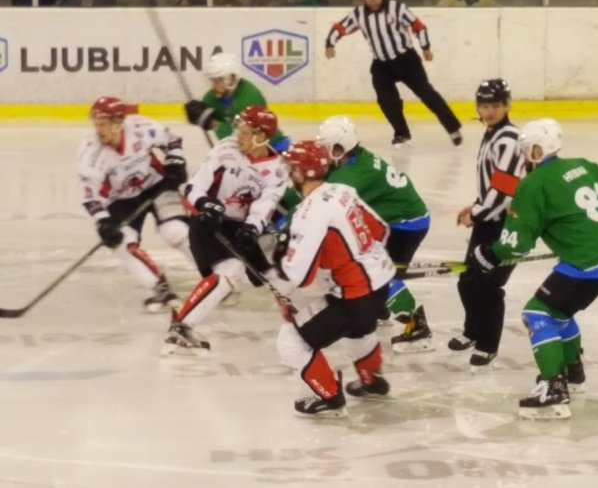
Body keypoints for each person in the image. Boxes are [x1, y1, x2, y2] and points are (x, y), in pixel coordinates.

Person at [469, 118, 598, 419]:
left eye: (526, 151)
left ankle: (553, 389)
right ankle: (573, 373)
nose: (524, 157)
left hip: (587, 263)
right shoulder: (581, 165)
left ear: (537, 151)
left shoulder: (532, 185)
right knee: (559, 312)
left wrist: (488, 255)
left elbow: (516, 244)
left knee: (538, 314)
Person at [275, 140, 396, 416]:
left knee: (291, 341)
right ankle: (371, 380)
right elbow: (380, 230)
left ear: (302, 172)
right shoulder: (343, 191)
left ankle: (329, 395)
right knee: (359, 331)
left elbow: (300, 275)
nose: (288, 172)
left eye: (292, 167)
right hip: (381, 283)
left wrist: (285, 253)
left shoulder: (308, 214)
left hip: (354, 293)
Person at [162, 106, 287, 356]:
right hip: (208, 222)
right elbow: (195, 186)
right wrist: (205, 203)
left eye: (245, 132)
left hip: (240, 227)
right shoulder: (226, 149)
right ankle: (181, 326)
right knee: (231, 271)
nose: (237, 135)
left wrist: (252, 228)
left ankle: (308, 321)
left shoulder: (277, 169)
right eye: (239, 129)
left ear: (261, 137)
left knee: (271, 275)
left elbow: (265, 205)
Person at [314, 116, 433, 353]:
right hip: (397, 220)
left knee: (380, 274)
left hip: (405, 225)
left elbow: (324, 202)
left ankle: (417, 326)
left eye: (328, 148)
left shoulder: (353, 175)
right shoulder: (353, 161)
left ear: (341, 147)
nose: (324, 153)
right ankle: (380, 309)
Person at [77, 96, 189, 312]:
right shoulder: (90, 153)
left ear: (118, 123)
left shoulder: (141, 127)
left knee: (175, 232)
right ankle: (160, 288)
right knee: (121, 242)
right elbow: (90, 196)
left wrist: (175, 161)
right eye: (96, 123)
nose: (98, 129)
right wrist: (103, 222)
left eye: (103, 124)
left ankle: (214, 275)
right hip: (119, 200)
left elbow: (172, 140)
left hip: (156, 184)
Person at [324, 0, 463, 148]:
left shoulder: (396, 8)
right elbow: (340, 27)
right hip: (382, 65)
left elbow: (418, 26)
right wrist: (330, 44)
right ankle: (402, 133)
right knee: (386, 99)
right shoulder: (359, 14)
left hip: (407, 60)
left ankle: (453, 128)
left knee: (426, 93)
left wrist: (425, 47)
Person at [449, 79, 524, 369]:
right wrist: (477, 207)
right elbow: (494, 185)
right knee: (468, 280)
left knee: (488, 285)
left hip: (507, 225)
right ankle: (473, 331)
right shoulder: (492, 134)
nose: (489, 111)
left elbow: (505, 189)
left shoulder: (508, 139)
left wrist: (477, 213)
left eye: (494, 105)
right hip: (489, 219)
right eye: (484, 106)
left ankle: (487, 344)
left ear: (506, 105)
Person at [184, 52, 289, 151]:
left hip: (271, 148)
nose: (214, 85)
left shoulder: (249, 98)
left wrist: (212, 123)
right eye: (213, 80)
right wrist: (197, 116)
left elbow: (237, 136)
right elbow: (204, 114)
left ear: (233, 78)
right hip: (245, 151)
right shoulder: (212, 96)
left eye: (219, 80)